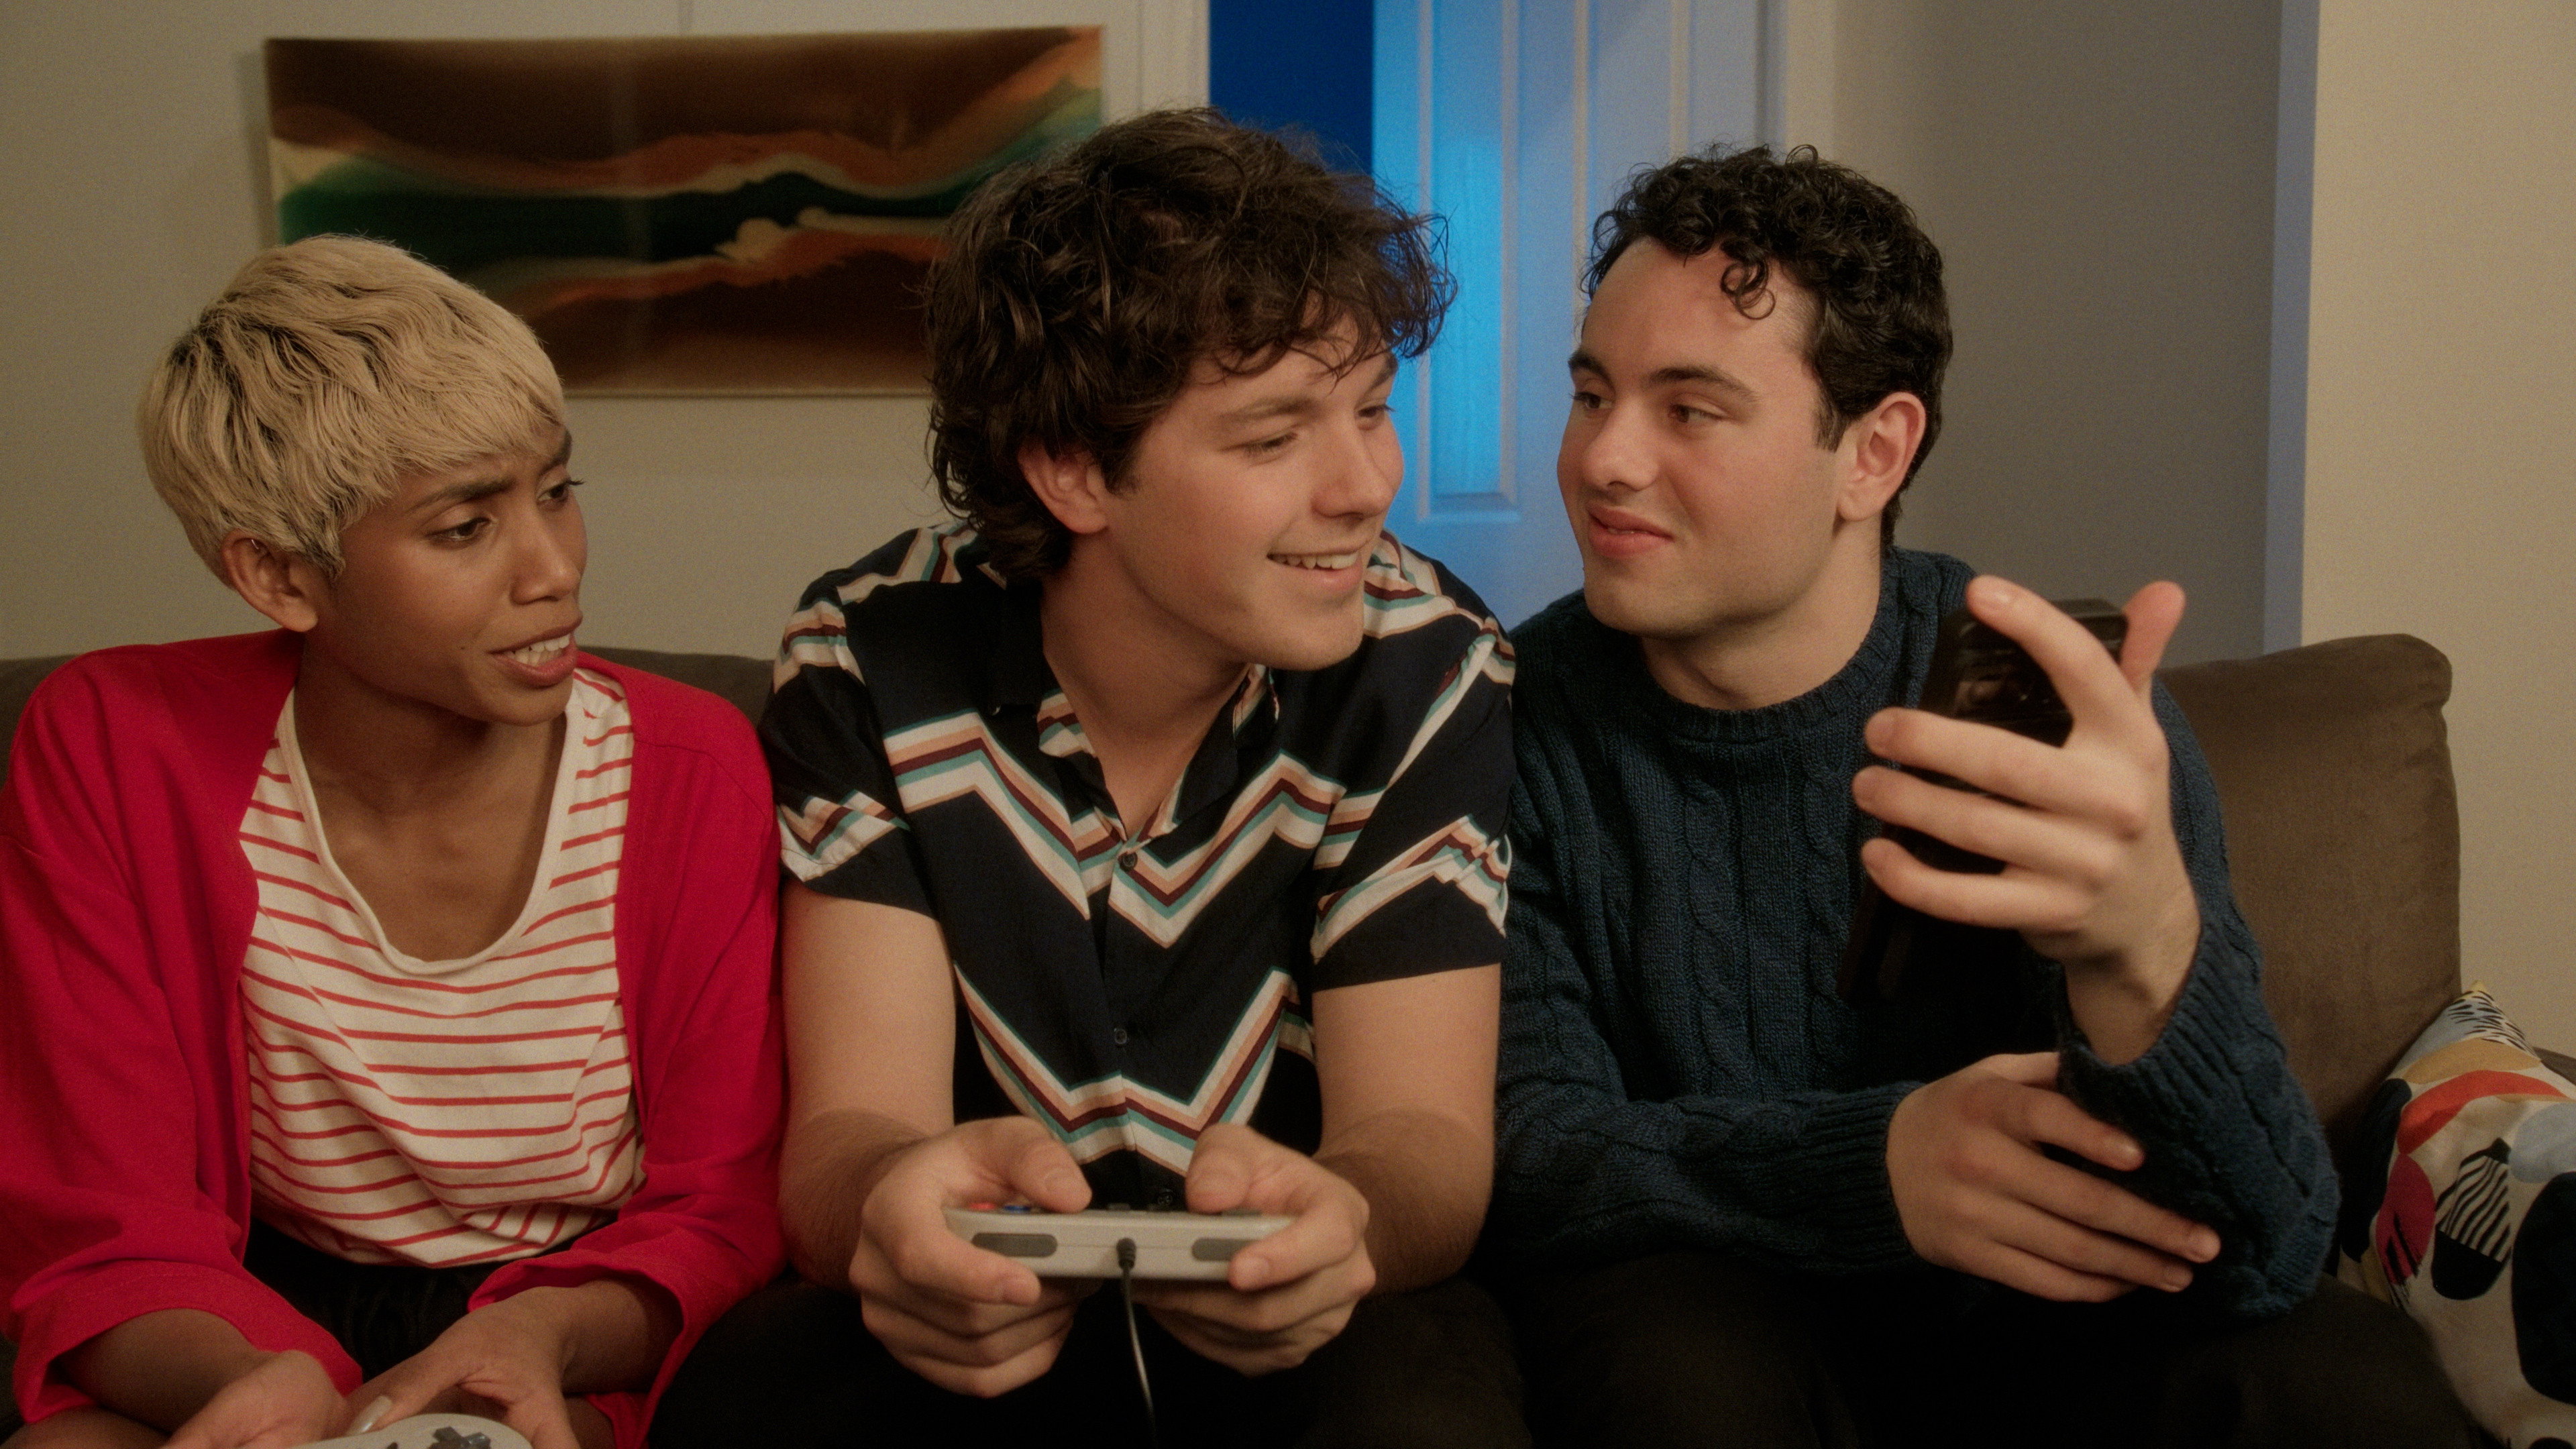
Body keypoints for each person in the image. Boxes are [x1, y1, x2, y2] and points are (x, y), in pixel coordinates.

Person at [1486, 145, 2477, 1447]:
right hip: (1715, 1315)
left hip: (2042, 1337)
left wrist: (2143, 952)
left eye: (1690, 410)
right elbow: (1523, 1148)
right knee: (1674, 1364)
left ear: (1874, 453)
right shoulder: (1507, 721)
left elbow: (2264, 1245)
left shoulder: (2060, 717)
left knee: (2347, 1384)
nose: (1603, 459)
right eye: (1591, 394)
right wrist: (1875, 1168)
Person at [652, 110, 1524, 1446]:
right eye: (1274, 437)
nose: (1368, 486)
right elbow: (851, 1129)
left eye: (1372, 409)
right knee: (758, 1393)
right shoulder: (871, 653)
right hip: (989, 1298)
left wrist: (1345, 1219)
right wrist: (896, 1202)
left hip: (1313, 1322)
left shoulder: (1428, 663)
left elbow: (1423, 1136)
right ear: (1070, 469)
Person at [0, 237, 783, 1449]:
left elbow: (720, 1206)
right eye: (466, 526)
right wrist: (264, 1381)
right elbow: (103, 1220)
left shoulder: (694, 767)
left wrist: (538, 1338)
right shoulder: (108, 743)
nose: (554, 568)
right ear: (280, 577)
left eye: (557, 490)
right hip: (233, 1315)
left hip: (577, 1324)